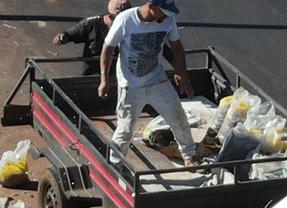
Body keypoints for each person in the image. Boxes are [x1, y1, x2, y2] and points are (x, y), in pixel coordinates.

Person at [98, 0, 198, 167]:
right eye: (164, 12)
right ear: (152, 7)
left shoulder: (168, 20)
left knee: (178, 117)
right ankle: (114, 166)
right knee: (125, 129)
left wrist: (183, 75)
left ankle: (190, 156)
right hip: (130, 85)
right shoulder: (126, 19)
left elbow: (177, 48)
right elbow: (107, 48)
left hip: (155, 79)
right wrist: (104, 79)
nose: (167, 16)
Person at [53, 0, 131, 75]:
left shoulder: (131, 27)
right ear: (110, 16)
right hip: (92, 72)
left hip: (118, 74)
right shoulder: (92, 23)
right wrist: (62, 37)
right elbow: (70, 34)